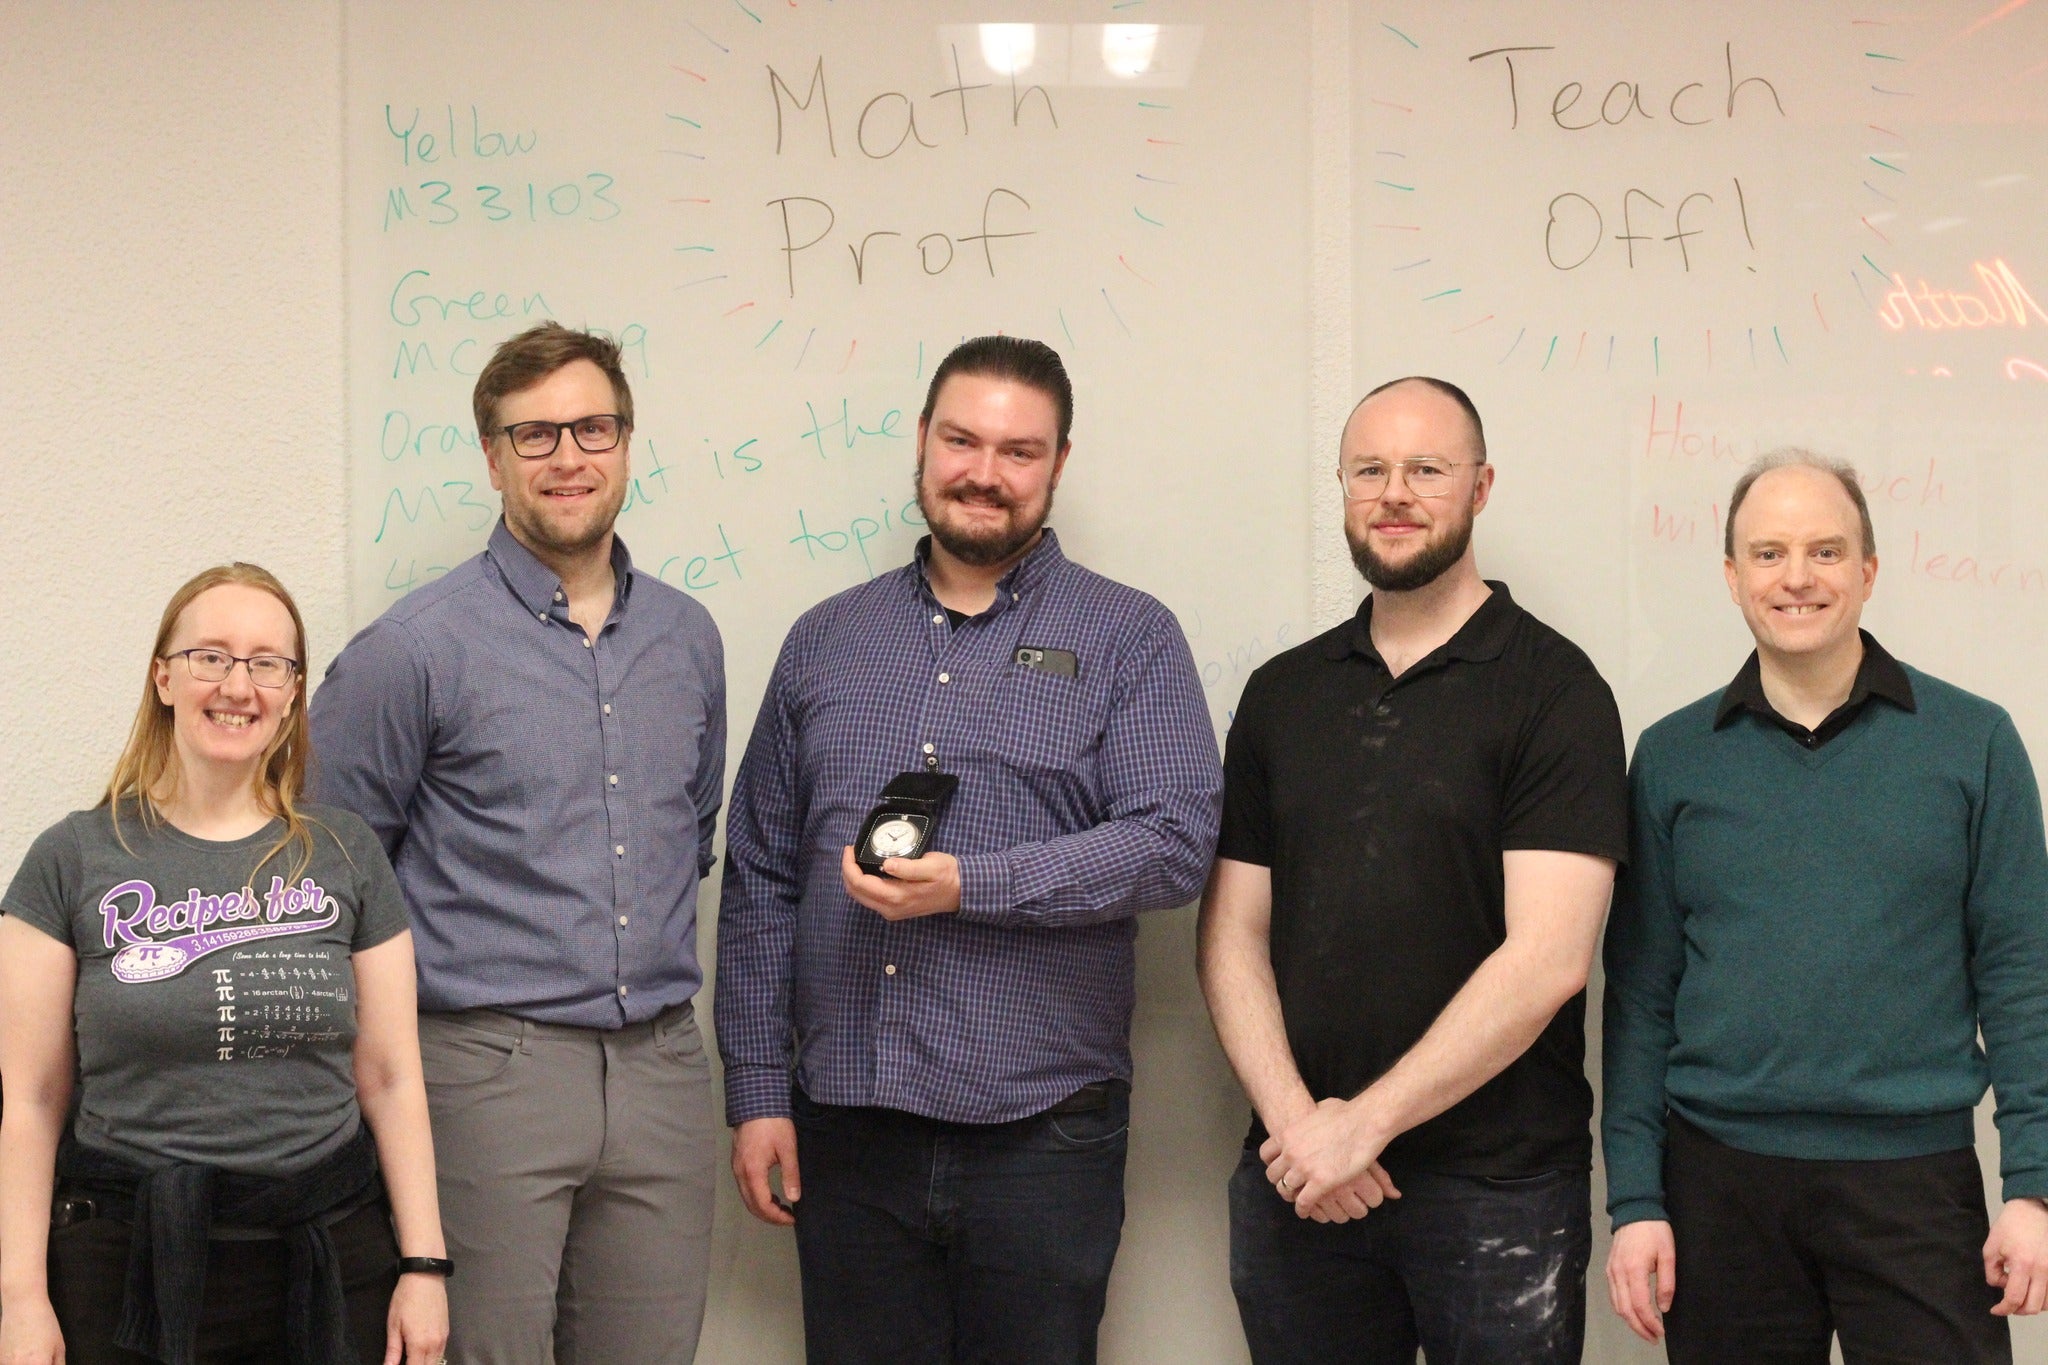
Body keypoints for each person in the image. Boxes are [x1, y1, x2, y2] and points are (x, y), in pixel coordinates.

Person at [716, 334, 1222, 1364]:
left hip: (1042, 1136)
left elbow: (1173, 845)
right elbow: (761, 877)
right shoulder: (826, 640)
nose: (982, 473)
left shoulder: (1129, 637)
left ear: (1058, 465)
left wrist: (971, 886)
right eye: (960, 439)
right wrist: (759, 1092)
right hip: (846, 1130)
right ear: (920, 442)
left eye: (1017, 451)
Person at [309, 323, 724, 1364]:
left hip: (663, 1068)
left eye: (592, 427)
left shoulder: (688, 639)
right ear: (491, 458)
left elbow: (691, 835)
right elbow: (329, 885)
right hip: (484, 1069)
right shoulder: (412, 652)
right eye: (532, 435)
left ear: (627, 442)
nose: (568, 457)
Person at [1198, 376, 1628, 1363]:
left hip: (1496, 1194)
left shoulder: (1555, 692)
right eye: (1368, 470)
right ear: (1343, 488)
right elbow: (1229, 934)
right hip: (1296, 1178)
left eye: (1425, 469)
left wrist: (1367, 1126)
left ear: (1479, 487)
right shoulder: (1280, 694)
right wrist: (1302, 1127)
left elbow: (1549, 958)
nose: (1394, 492)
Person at [1602, 450, 2048, 1362]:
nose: (1796, 577)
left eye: (1825, 551)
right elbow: (1640, 995)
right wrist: (1637, 1200)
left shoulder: (1976, 743)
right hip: (1719, 1184)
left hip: (1913, 1182)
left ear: (1869, 570)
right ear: (1731, 577)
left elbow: (2022, 974)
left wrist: (2035, 1187)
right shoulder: (1673, 756)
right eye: (1767, 554)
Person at [0, 563, 449, 1365]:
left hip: (327, 1258)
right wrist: (21, 1297)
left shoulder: (346, 854)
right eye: (210, 655)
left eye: (267, 662)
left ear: (292, 691)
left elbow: (390, 1077)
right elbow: (32, 1099)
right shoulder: (70, 859)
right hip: (123, 1263)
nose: (237, 684)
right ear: (163, 676)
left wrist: (423, 1265)